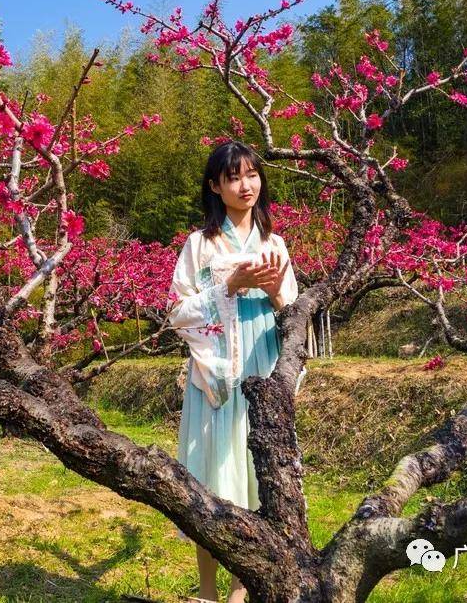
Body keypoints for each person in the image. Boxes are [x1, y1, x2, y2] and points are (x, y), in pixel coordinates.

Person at [166, 140, 304, 603]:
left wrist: (274, 295)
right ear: (215, 186)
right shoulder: (199, 245)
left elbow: (294, 314)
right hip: (216, 372)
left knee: (253, 470)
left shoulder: (274, 243)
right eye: (233, 177)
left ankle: (239, 593)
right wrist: (230, 285)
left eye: (252, 175)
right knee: (212, 475)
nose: (246, 186)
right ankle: (207, 592)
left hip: (262, 363)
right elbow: (178, 311)